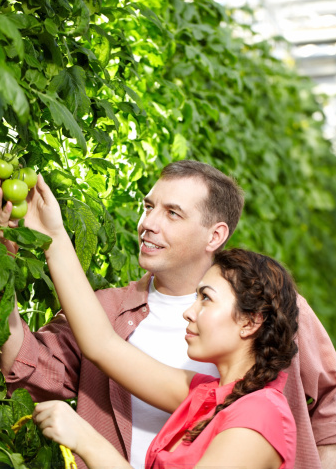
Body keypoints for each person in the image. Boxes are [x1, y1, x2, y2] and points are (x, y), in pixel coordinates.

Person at [0, 161, 335, 469]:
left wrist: (85, 440)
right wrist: (52, 237)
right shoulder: (208, 395)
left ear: (252, 321)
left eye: (173, 213)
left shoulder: (259, 412)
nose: (148, 223)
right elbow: (101, 345)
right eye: (148, 207)